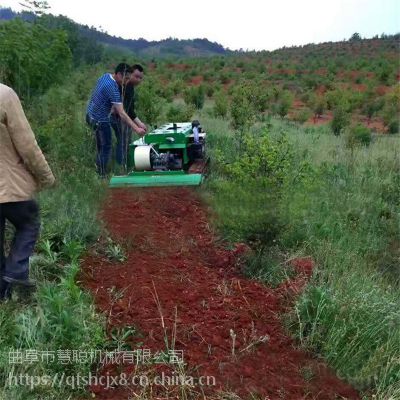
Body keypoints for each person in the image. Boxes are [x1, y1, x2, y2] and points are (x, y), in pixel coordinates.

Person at [0, 84, 55, 300]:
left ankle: (3, 295)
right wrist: (46, 177)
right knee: (29, 222)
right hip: (8, 185)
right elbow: (27, 145)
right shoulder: (4, 95)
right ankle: (14, 274)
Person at [86, 63, 146, 177]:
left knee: (101, 146)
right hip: (100, 121)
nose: (125, 82)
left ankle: (99, 169)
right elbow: (122, 113)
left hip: (90, 115)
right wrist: (137, 129)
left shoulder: (105, 76)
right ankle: (102, 175)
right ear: (118, 74)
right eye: (125, 78)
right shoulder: (113, 88)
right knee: (106, 147)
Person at [110, 64, 147, 170]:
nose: (138, 80)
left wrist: (139, 123)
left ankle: (125, 165)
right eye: (136, 76)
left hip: (123, 117)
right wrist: (137, 125)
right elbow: (123, 110)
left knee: (125, 142)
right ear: (129, 74)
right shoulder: (122, 85)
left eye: (140, 78)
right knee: (123, 142)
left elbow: (130, 110)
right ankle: (121, 167)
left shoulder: (130, 87)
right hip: (117, 117)